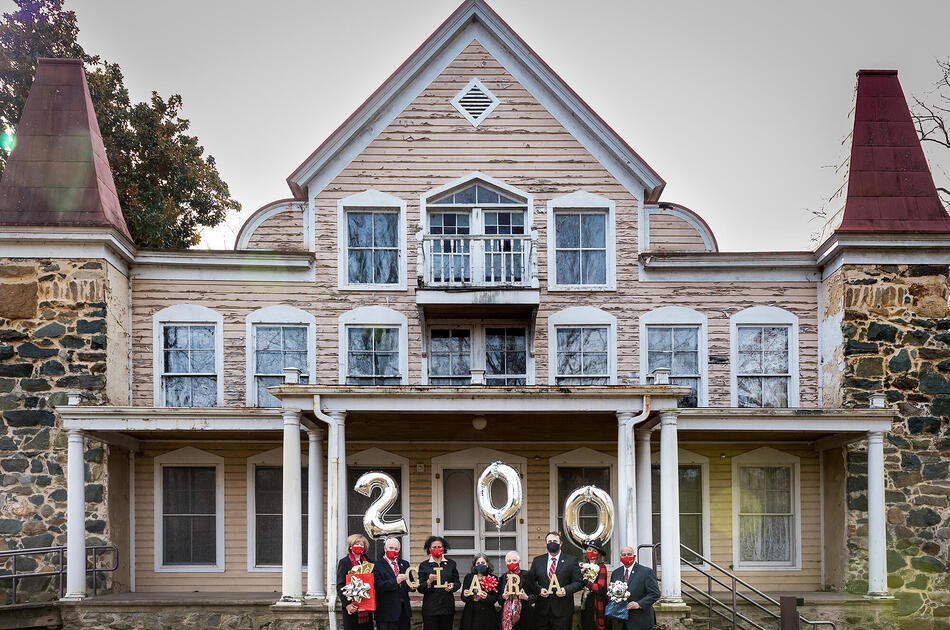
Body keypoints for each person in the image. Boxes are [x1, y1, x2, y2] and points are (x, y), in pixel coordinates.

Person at [527, 531, 583, 630]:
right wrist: (539, 590)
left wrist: (566, 590)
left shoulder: (571, 560)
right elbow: (531, 581)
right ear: (546, 544)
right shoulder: (537, 560)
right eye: (549, 541)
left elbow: (579, 582)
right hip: (542, 611)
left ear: (560, 543)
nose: (552, 543)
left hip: (563, 612)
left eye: (555, 541)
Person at [608, 546, 659, 630]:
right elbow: (612, 593)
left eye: (629, 554)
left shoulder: (646, 572)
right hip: (620, 621)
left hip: (640, 620)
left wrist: (639, 604)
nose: (626, 557)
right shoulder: (615, 573)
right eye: (623, 555)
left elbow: (655, 594)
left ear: (634, 556)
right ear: (620, 557)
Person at [417, 535, 461, 630]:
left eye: (439, 547)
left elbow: (457, 582)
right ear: (429, 548)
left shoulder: (451, 564)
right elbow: (420, 588)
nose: (437, 549)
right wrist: (429, 581)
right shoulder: (424, 565)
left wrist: (453, 586)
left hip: (447, 607)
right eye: (434, 547)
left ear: (444, 548)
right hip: (430, 608)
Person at [373, 537, 413, 630]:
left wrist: (412, 586)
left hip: (404, 611)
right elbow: (378, 586)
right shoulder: (376, 565)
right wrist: (396, 581)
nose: (393, 550)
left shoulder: (405, 564)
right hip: (386, 613)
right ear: (385, 548)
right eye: (391, 548)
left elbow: (409, 582)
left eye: (396, 549)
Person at [337, 533, 374, 630]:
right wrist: (347, 605)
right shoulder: (344, 562)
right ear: (350, 546)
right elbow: (340, 585)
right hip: (351, 606)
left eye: (361, 545)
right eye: (356, 544)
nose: (359, 546)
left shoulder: (369, 562)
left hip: (366, 606)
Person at [460, 553, 500, 630]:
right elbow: (463, 598)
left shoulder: (493, 578)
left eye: (483, 563)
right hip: (471, 614)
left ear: (487, 565)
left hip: (487, 615)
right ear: (475, 565)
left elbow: (495, 598)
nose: (480, 565)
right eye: (478, 563)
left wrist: (487, 597)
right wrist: (465, 595)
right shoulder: (469, 577)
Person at [499, 550, 536, 630]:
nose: (511, 562)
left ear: (519, 562)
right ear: (505, 563)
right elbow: (499, 600)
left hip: (525, 616)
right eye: (509, 561)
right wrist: (503, 597)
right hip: (507, 616)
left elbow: (536, 595)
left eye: (514, 560)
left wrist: (527, 598)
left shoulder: (527, 575)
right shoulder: (503, 577)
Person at [580, 540, 608, 630]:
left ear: (598, 554)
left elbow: (600, 588)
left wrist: (585, 582)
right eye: (589, 549)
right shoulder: (584, 567)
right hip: (585, 600)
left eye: (594, 551)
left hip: (597, 601)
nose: (591, 552)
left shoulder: (602, 567)